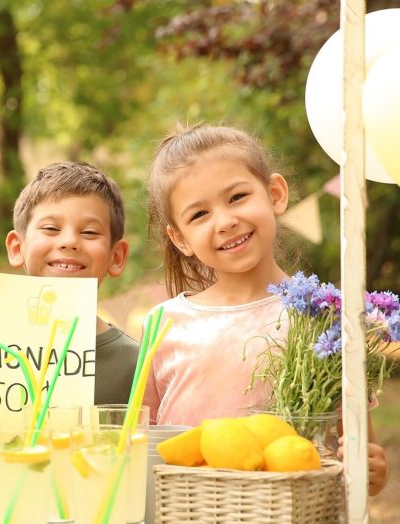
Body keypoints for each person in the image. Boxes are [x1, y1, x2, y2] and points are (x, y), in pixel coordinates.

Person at [142, 123, 387, 495]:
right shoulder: (165, 324)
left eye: (237, 197)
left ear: (275, 194)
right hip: (189, 511)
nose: (225, 221)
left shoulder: (323, 317)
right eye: (199, 215)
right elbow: (143, 443)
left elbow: (353, 446)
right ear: (180, 238)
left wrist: (369, 469)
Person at [5, 161, 140, 405]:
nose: (69, 241)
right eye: (50, 228)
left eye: (89, 232)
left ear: (116, 257)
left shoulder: (136, 364)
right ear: (17, 248)